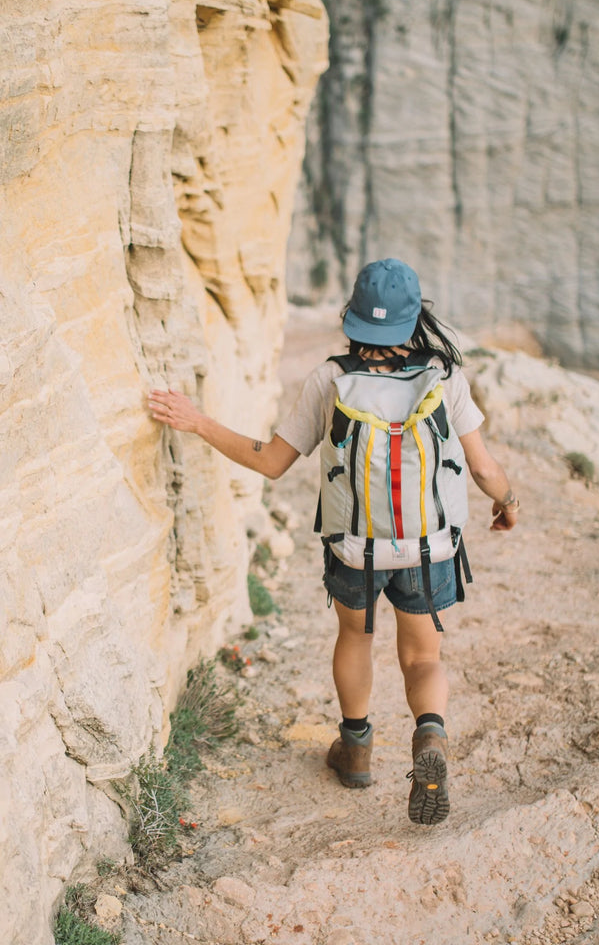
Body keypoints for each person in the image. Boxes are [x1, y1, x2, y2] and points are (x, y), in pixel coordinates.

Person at [148, 258, 518, 825]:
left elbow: (270, 462)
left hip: (357, 548)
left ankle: (357, 750)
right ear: (414, 318)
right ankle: (430, 736)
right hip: (428, 548)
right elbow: (484, 467)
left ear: (355, 316)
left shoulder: (331, 378)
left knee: (356, 635)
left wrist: (197, 421)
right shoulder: (445, 377)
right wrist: (506, 502)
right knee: (422, 653)